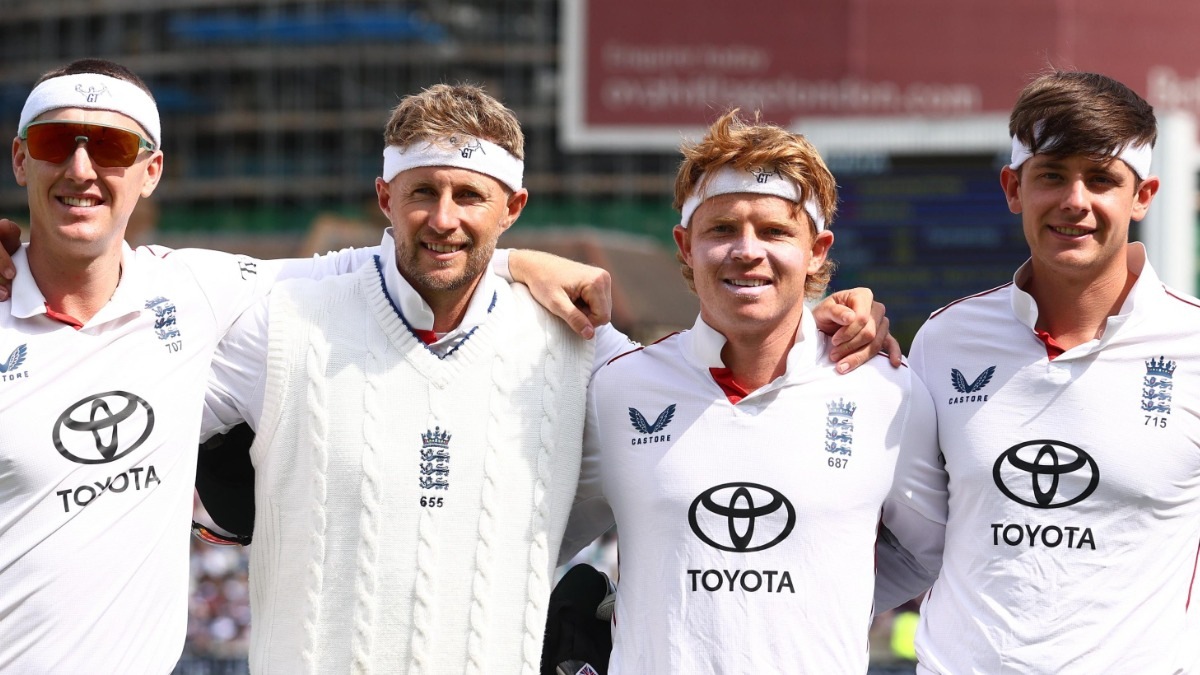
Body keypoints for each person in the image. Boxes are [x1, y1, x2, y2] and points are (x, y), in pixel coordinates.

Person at [201, 86, 898, 673]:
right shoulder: (285, 321)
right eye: (423, 192)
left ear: (513, 208)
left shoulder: (588, 356)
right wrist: (508, 262)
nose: (444, 217)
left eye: (470, 195)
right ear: (385, 197)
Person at [0, 59, 617, 673]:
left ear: (151, 169)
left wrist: (512, 265)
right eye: (57, 142)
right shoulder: (274, 321)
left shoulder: (199, 293)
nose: (82, 167)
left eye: (110, 145)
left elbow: (383, 265)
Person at [556, 110, 938, 673]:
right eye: (722, 230)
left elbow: (931, 552)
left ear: (817, 249)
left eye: (775, 231)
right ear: (685, 246)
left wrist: (824, 602)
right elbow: (539, 541)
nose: (746, 250)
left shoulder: (886, 390)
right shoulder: (617, 387)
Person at [880, 71, 1200, 673]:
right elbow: (908, 536)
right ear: (1013, 187)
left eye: (1102, 179)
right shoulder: (946, 339)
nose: (1074, 200)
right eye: (1052, 175)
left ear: (1144, 196)